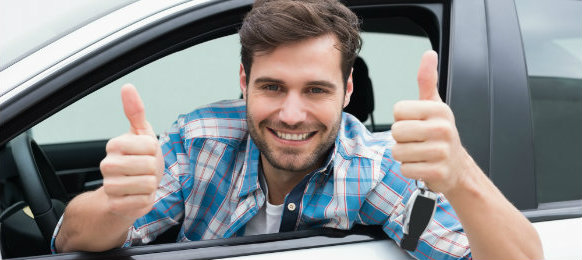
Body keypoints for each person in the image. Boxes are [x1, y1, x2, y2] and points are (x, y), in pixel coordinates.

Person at [53, 0, 543, 259]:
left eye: (315, 90)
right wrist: (115, 205)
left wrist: (459, 175)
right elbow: (71, 241)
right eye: (271, 87)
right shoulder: (198, 142)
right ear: (243, 82)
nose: (290, 114)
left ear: (347, 91)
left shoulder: (373, 172)